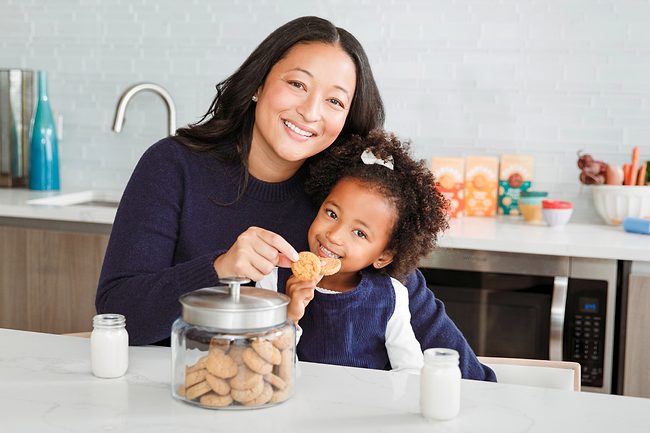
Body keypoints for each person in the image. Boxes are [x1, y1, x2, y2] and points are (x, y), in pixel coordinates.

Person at [95, 15, 495, 381]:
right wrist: (218, 268)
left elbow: (423, 323)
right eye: (297, 84)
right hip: (174, 397)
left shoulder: (342, 198)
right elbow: (117, 314)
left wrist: (486, 392)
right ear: (258, 84)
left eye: (335, 101)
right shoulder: (172, 165)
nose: (310, 112)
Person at [257, 130, 491, 377]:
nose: (334, 235)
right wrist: (289, 318)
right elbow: (263, 370)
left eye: (359, 233)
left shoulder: (391, 297)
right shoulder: (273, 281)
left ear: (383, 256)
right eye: (332, 214)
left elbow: (410, 372)